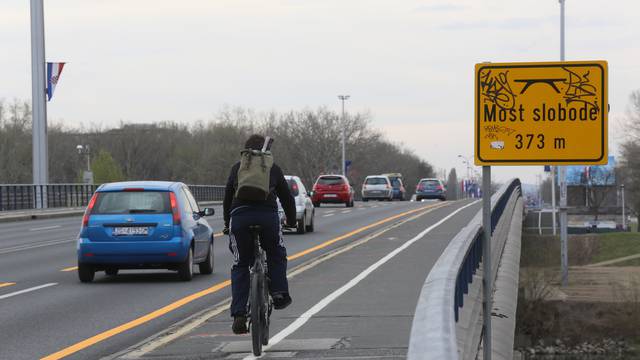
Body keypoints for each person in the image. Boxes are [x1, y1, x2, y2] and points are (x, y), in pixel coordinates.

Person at [223, 134, 297, 335]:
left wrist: (226, 224)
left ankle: (239, 313)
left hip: (240, 217)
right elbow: (287, 199)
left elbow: (228, 198)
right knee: (276, 252)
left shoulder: (237, 168)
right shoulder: (273, 168)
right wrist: (291, 221)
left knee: (240, 263)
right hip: (267, 218)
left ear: (246, 151)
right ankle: (279, 292)